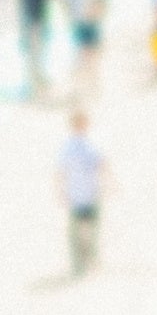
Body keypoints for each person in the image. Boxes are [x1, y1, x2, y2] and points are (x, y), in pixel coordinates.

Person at [56, 112, 104, 278]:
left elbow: (101, 164)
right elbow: (61, 170)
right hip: (79, 193)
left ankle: (88, 260)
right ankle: (81, 263)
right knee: (81, 230)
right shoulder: (72, 147)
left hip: (88, 192)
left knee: (89, 229)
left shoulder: (88, 145)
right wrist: (61, 190)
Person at [11, 0, 53, 99]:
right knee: (37, 51)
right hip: (37, 17)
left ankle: (33, 83)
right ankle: (35, 85)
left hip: (28, 16)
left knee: (31, 52)